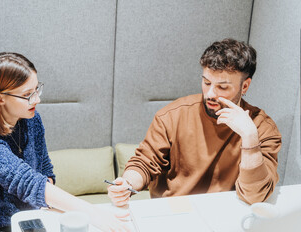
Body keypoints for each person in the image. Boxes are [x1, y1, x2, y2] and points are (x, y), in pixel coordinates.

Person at [0, 52, 133, 232]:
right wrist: (94, 214)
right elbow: (26, 182)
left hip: (35, 215)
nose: (37, 100)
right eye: (27, 94)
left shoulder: (31, 119)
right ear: (0, 97)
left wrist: (49, 200)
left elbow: (45, 169)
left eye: (37, 90)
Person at [108, 38, 282, 207]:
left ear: (244, 86)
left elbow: (255, 196)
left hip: (228, 214)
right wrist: (126, 183)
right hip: (175, 212)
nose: (210, 94)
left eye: (222, 87)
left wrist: (250, 138)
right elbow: (144, 162)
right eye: (206, 82)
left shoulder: (262, 127)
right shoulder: (172, 116)